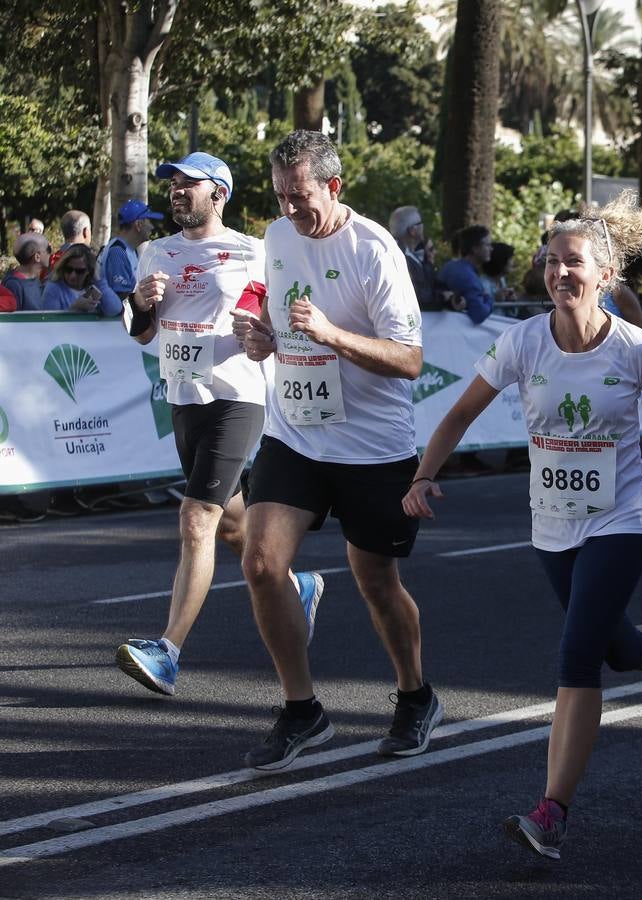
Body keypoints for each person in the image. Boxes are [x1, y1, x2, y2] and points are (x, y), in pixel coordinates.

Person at [402, 190, 642, 861]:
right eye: (553, 262)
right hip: (552, 525)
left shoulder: (634, 348)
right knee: (616, 647)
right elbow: (458, 415)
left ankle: (552, 812)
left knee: (576, 655)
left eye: (575, 263)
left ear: (605, 276)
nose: (561, 272)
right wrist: (421, 477)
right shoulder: (523, 341)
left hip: (620, 520)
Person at [230, 130, 437, 770]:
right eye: (281, 197)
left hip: (372, 446)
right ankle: (302, 710)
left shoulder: (375, 250)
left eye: (300, 197)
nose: (289, 210)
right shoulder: (276, 237)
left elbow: (409, 360)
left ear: (334, 187)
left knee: (376, 579)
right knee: (262, 564)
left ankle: (414, 694)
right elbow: (271, 304)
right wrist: (262, 338)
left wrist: (331, 333)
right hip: (295, 433)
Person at [114, 151, 324, 696]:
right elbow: (141, 333)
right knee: (228, 523)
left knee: (196, 517)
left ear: (220, 194)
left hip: (238, 397)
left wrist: (265, 335)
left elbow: (279, 314)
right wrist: (137, 301)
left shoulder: (253, 253)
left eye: (190, 184)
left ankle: (168, 650)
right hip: (185, 398)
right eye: (174, 184)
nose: (178, 191)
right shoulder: (154, 252)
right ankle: (293, 583)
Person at [103, 199, 163, 297]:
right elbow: (121, 299)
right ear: (138, 224)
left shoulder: (127, 250)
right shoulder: (118, 251)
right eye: (149, 221)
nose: (152, 227)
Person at [41, 244, 123, 316]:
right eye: (68, 269)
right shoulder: (54, 288)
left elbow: (115, 309)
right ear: (62, 267)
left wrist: (99, 281)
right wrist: (74, 309)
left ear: (89, 271)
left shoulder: (95, 287)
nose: (73, 276)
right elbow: (50, 323)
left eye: (79, 271)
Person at [437, 225, 496, 324]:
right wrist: (488, 297)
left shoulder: (451, 266)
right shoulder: (467, 276)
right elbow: (479, 314)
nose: (491, 249)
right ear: (475, 248)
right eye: (487, 245)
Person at [387, 205, 440, 310]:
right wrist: (443, 297)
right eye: (420, 223)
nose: (423, 226)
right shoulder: (400, 257)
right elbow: (420, 296)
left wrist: (428, 262)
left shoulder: (410, 253)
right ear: (412, 230)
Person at [3, 233, 49, 310]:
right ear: (37, 256)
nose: (51, 253)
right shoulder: (13, 285)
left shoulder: (34, 279)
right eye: (48, 249)